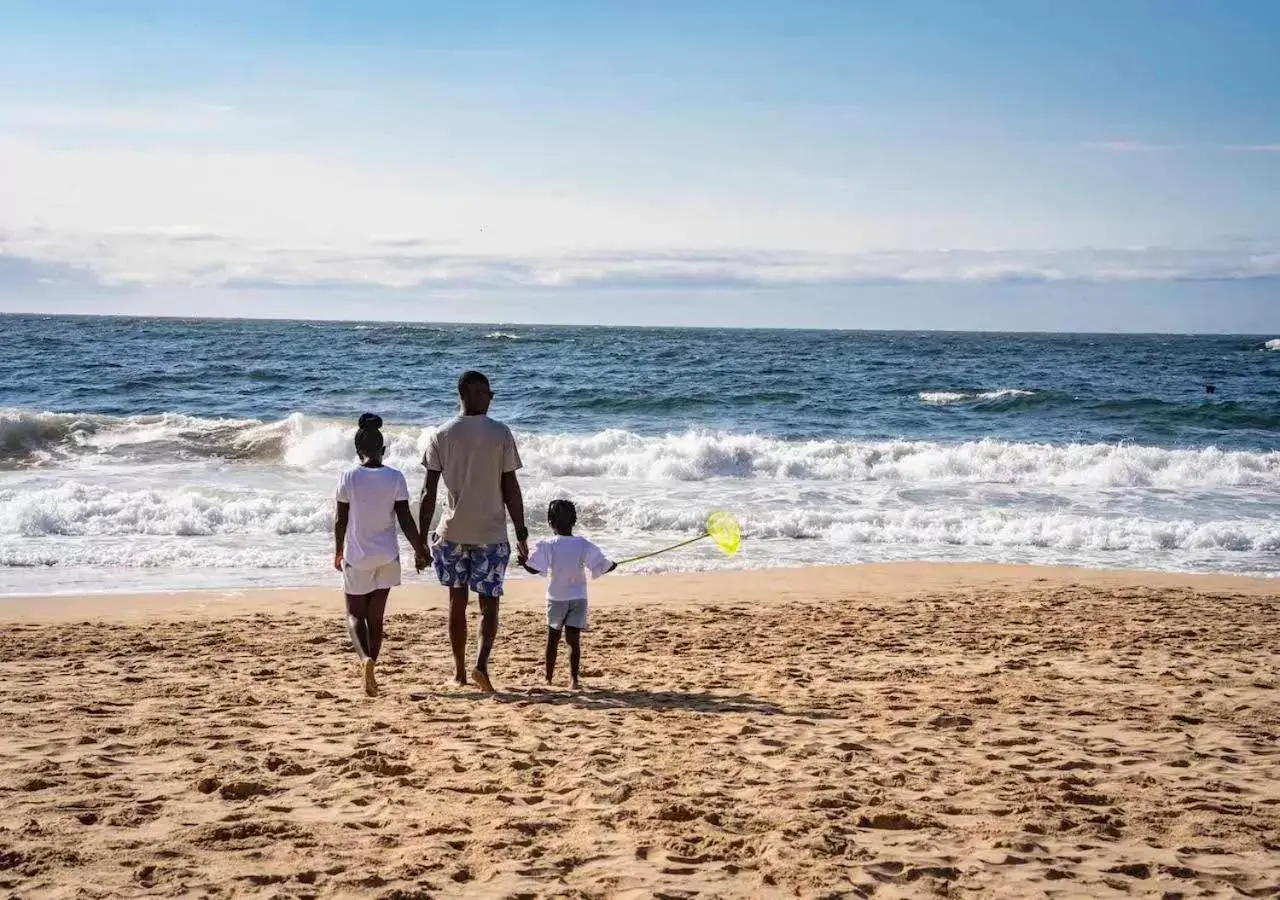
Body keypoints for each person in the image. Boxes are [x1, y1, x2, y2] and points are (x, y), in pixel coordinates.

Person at [419, 371, 529, 693]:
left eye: (490, 393)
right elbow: (511, 487)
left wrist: (420, 540)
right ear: (466, 394)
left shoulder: (441, 435)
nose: (490, 398)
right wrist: (520, 533)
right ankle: (480, 664)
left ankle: (460, 672)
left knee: (457, 601)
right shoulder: (500, 433)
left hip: (453, 531)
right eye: (485, 393)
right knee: (489, 602)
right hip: (491, 532)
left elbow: (428, 492)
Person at [334, 414, 428, 697]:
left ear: (357, 450)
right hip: (387, 557)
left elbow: (340, 519)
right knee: (376, 620)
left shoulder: (348, 476)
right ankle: (372, 671)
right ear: (384, 449)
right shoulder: (395, 477)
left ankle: (365, 660)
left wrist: (338, 550)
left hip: (358, 556)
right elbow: (405, 521)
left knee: (354, 615)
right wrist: (420, 550)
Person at [519, 500, 616, 690]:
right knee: (573, 640)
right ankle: (573, 679)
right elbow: (601, 564)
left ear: (549, 521)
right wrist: (613, 565)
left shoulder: (548, 545)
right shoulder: (582, 544)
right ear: (574, 521)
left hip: (556, 598)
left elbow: (534, 568)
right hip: (578, 597)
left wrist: (523, 562)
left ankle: (548, 677)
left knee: (552, 639)